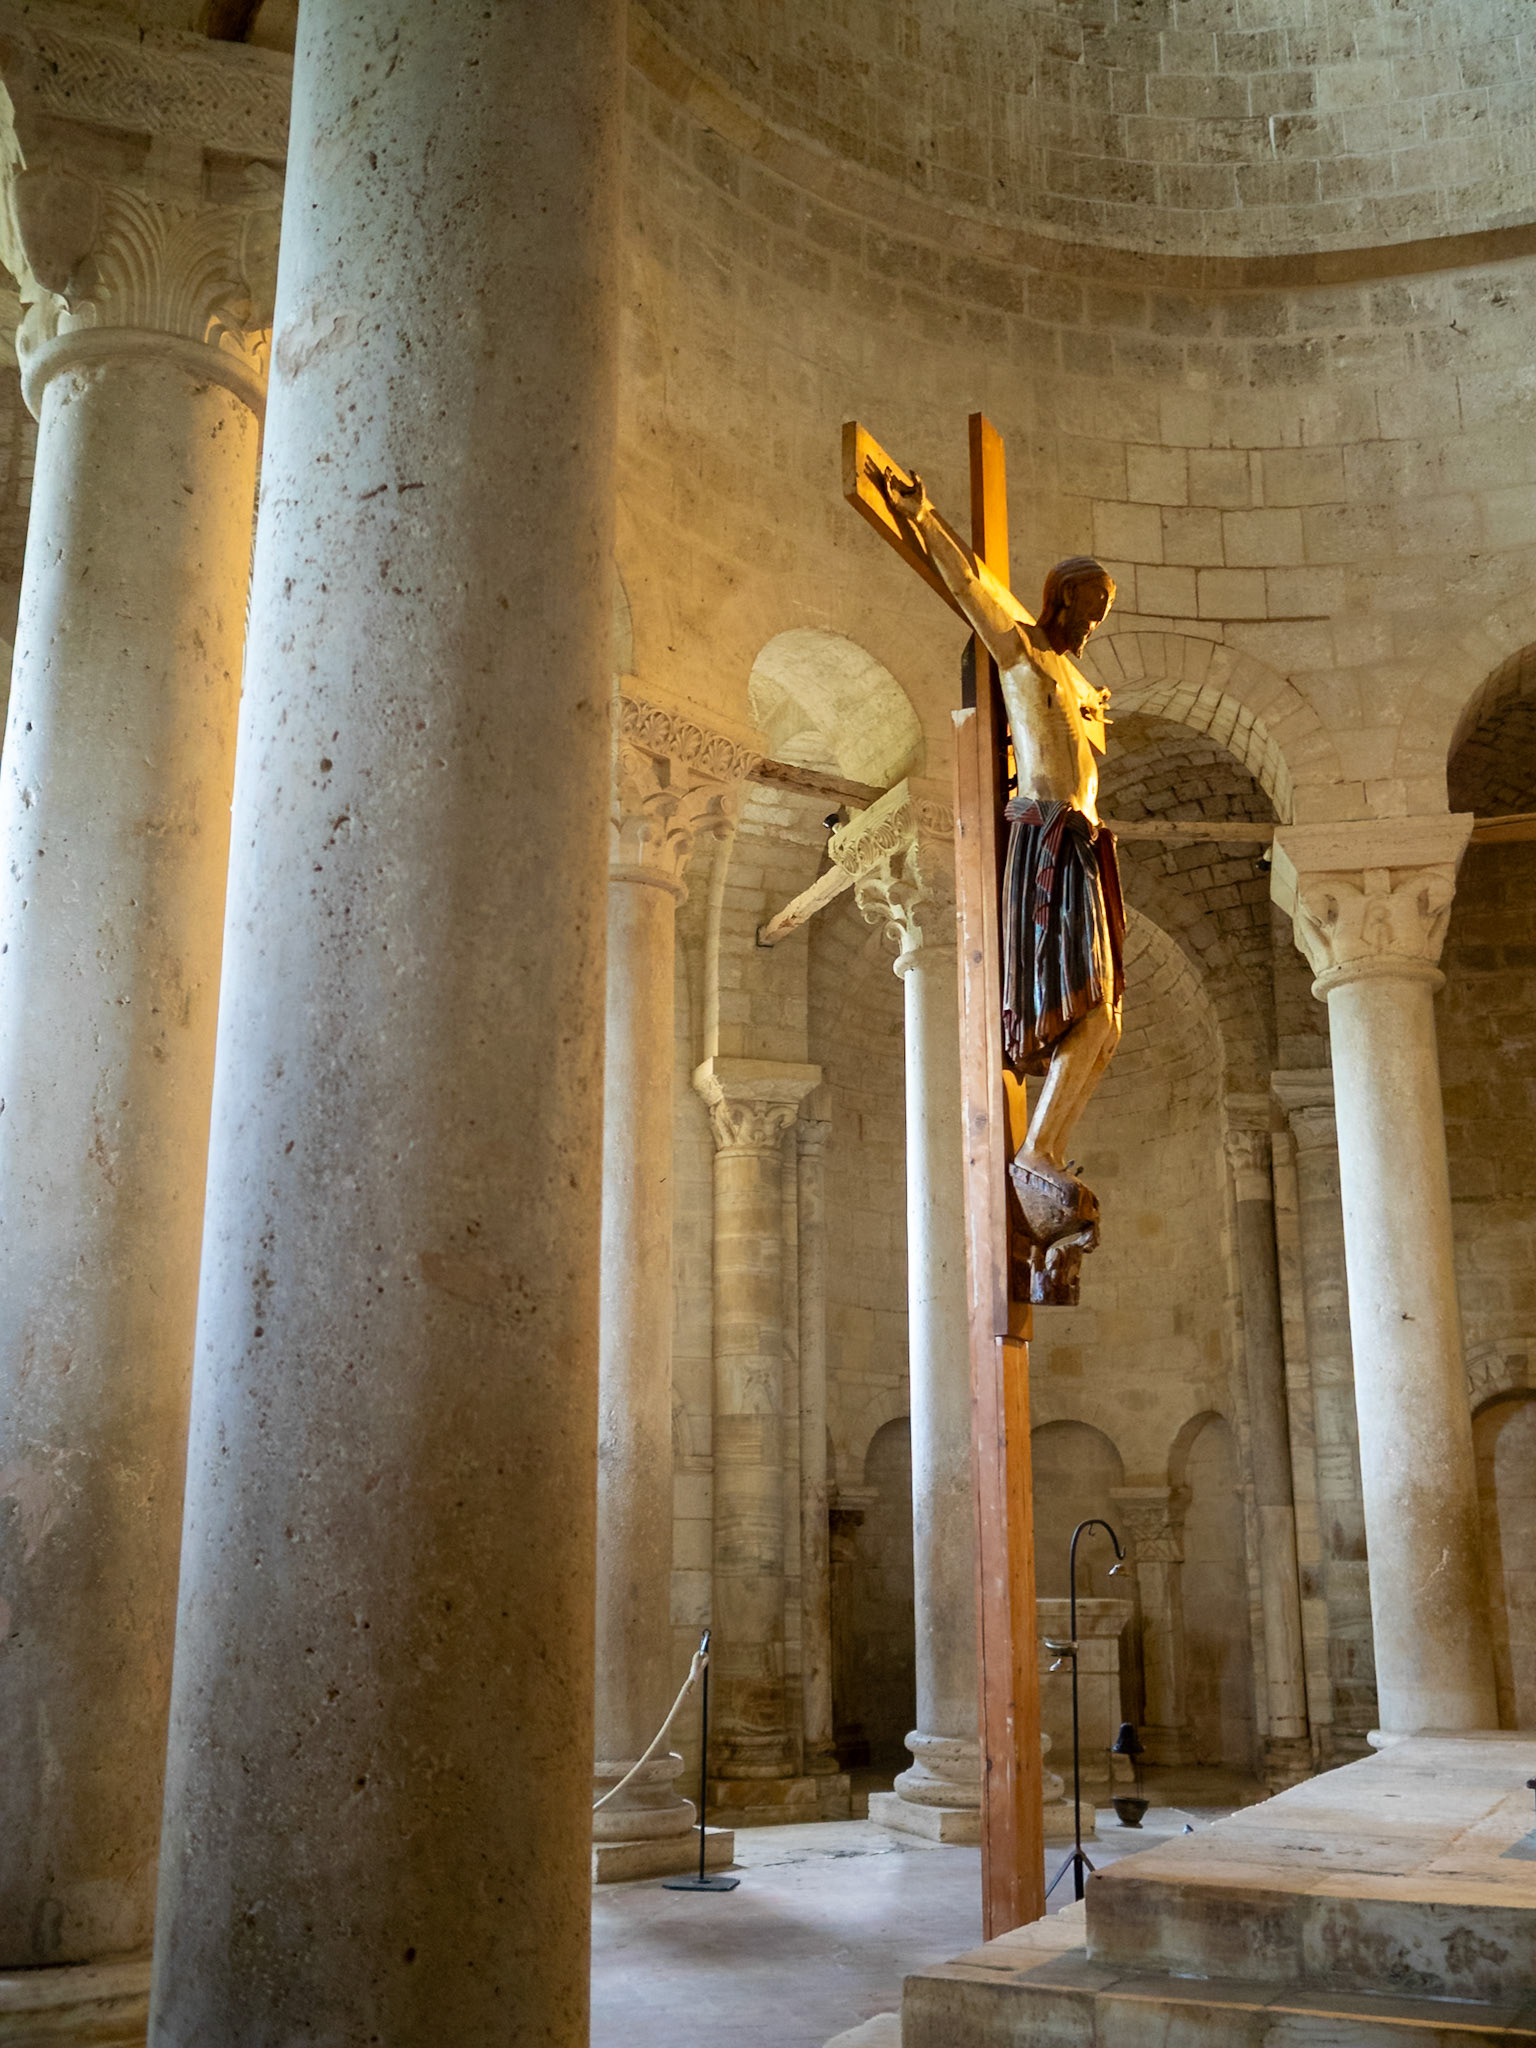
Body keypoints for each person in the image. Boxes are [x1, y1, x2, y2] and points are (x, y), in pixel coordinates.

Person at [873, 466, 1124, 1288]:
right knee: (1082, 1006)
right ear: (1055, 602)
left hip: (1083, 850)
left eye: (1102, 616)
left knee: (1106, 1023)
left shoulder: (1085, 688)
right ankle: (1034, 1155)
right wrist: (925, 517)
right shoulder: (1024, 657)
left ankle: (1038, 1151)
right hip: (1044, 846)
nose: (1092, 625)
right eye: (1085, 609)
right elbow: (973, 585)